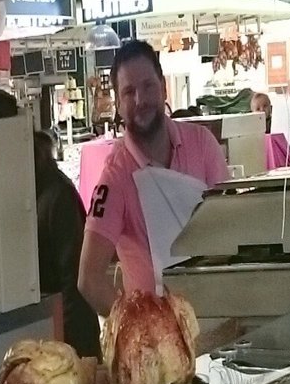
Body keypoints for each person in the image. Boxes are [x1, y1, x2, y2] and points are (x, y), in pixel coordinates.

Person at [78, 39, 227, 315]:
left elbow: (229, 229)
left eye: (148, 86)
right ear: (118, 104)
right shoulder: (115, 177)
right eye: (129, 92)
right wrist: (137, 325)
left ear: (163, 87)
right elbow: (89, 280)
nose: (140, 100)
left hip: (217, 314)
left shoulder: (202, 144)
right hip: (158, 334)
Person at [34, 129, 100, 357]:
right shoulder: (43, 191)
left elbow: (73, 282)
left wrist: (71, 349)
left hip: (70, 336)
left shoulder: (56, 195)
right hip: (57, 333)